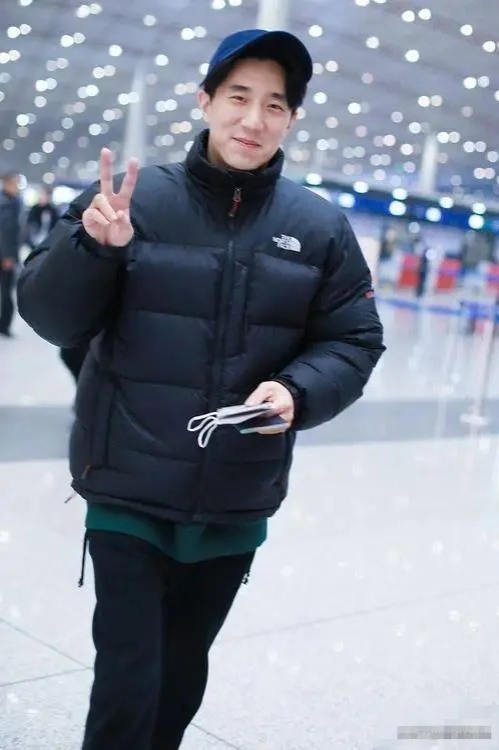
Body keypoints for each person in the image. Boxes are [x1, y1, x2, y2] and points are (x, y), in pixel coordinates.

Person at [17, 28, 385, 750]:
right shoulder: (133, 200)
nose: (253, 119)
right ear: (205, 101)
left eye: (273, 105)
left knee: (182, 671)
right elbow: (51, 317)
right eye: (238, 97)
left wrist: (298, 391)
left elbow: (354, 339)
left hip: (235, 490)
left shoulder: (318, 227)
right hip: (126, 480)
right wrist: (92, 249)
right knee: (128, 675)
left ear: (292, 119)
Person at [0, 171, 22, 337]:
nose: (17, 186)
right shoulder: (7, 203)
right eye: (15, 183)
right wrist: (8, 255)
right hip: (4, 255)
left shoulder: (14, 202)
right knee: (6, 291)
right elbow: (6, 231)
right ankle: (4, 325)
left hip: (7, 254)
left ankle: (4, 324)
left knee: (6, 291)